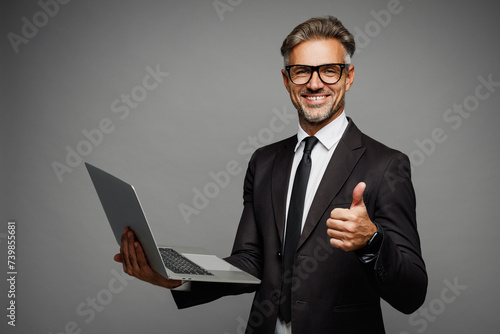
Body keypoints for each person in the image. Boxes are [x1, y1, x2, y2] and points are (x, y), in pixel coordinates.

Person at [114, 16, 427, 333]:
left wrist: (372, 242)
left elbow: (412, 293)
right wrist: (176, 277)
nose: (314, 83)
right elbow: (250, 263)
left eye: (329, 70)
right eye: (301, 71)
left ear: (348, 77)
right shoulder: (264, 162)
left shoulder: (387, 165)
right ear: (286, 80)